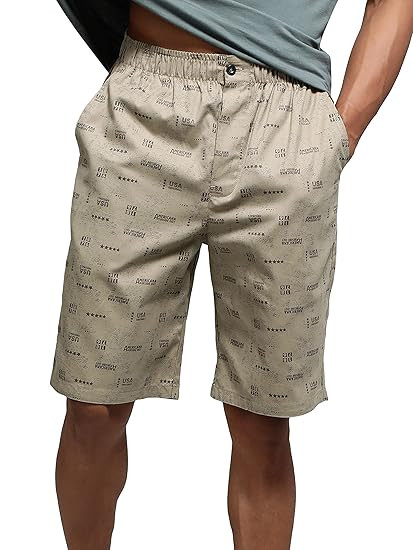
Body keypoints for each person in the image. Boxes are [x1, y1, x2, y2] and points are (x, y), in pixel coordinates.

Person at [49, 1, 412, 548]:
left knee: (262, 421)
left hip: (286, 119)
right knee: (93, 401)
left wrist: (343, 134)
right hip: (146, 98)